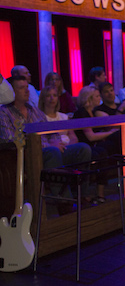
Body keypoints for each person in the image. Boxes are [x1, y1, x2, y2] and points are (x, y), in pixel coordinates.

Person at [0, 77, 91, 215]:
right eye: (21, 87)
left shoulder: (34, 110)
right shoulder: (4, 112)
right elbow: (10, 140)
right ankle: (64, 203)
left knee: (82, 149)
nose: (26, 90)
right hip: (24, 157)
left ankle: (84, 196)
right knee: (52, 152)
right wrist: (49, 145)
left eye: (27, 86)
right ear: (11, 91)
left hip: (49, 151)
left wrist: (56, 143)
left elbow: (52, 133)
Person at [73, 86, 121, 203]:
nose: (100, 98)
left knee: (114, 141)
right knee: (104, 151)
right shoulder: (82, 112)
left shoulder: (92, 112)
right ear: (89, 98)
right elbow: (90, 136)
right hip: (83, 148)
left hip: (93, 145)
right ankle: (98, 193)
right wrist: (110, 132)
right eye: (97, 96)